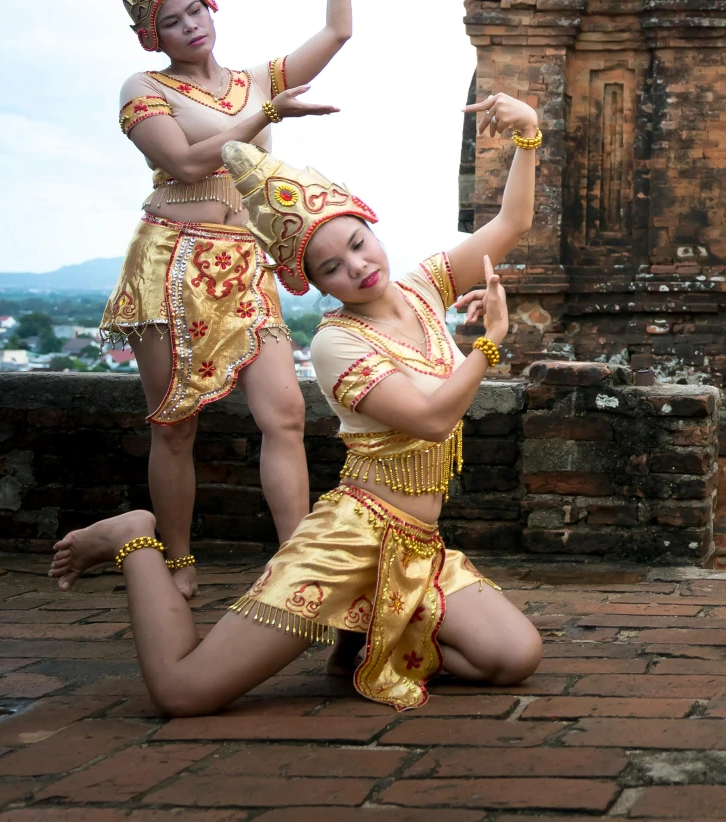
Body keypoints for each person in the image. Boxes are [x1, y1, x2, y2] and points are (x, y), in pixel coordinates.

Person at [48, 91, 545, 716]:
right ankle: (136, 537)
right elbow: (429, 419)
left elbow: (512, 224)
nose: (358, 267)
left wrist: (528, 135)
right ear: (313, 283)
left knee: (515, 655)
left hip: (416, 544)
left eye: (359, 243)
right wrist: (488, 347)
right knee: (185, 693)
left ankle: (364, 641)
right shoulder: (337, 342)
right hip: (347, 542)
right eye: (332, 266)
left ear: (370, 224)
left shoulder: (424, 287)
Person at [98, 0, 380, 599]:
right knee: (175, 425)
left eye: (195, 11)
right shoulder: (145, 89)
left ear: (211, 10)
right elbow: (191, 164)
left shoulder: (253, 79)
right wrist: (272, 112)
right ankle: (180, 561)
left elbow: (338, 31)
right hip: (173, 259)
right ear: (149, 34)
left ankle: (296, 558)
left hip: (244, 258)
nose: (189, 26)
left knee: (283, 412)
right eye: (171, 19)